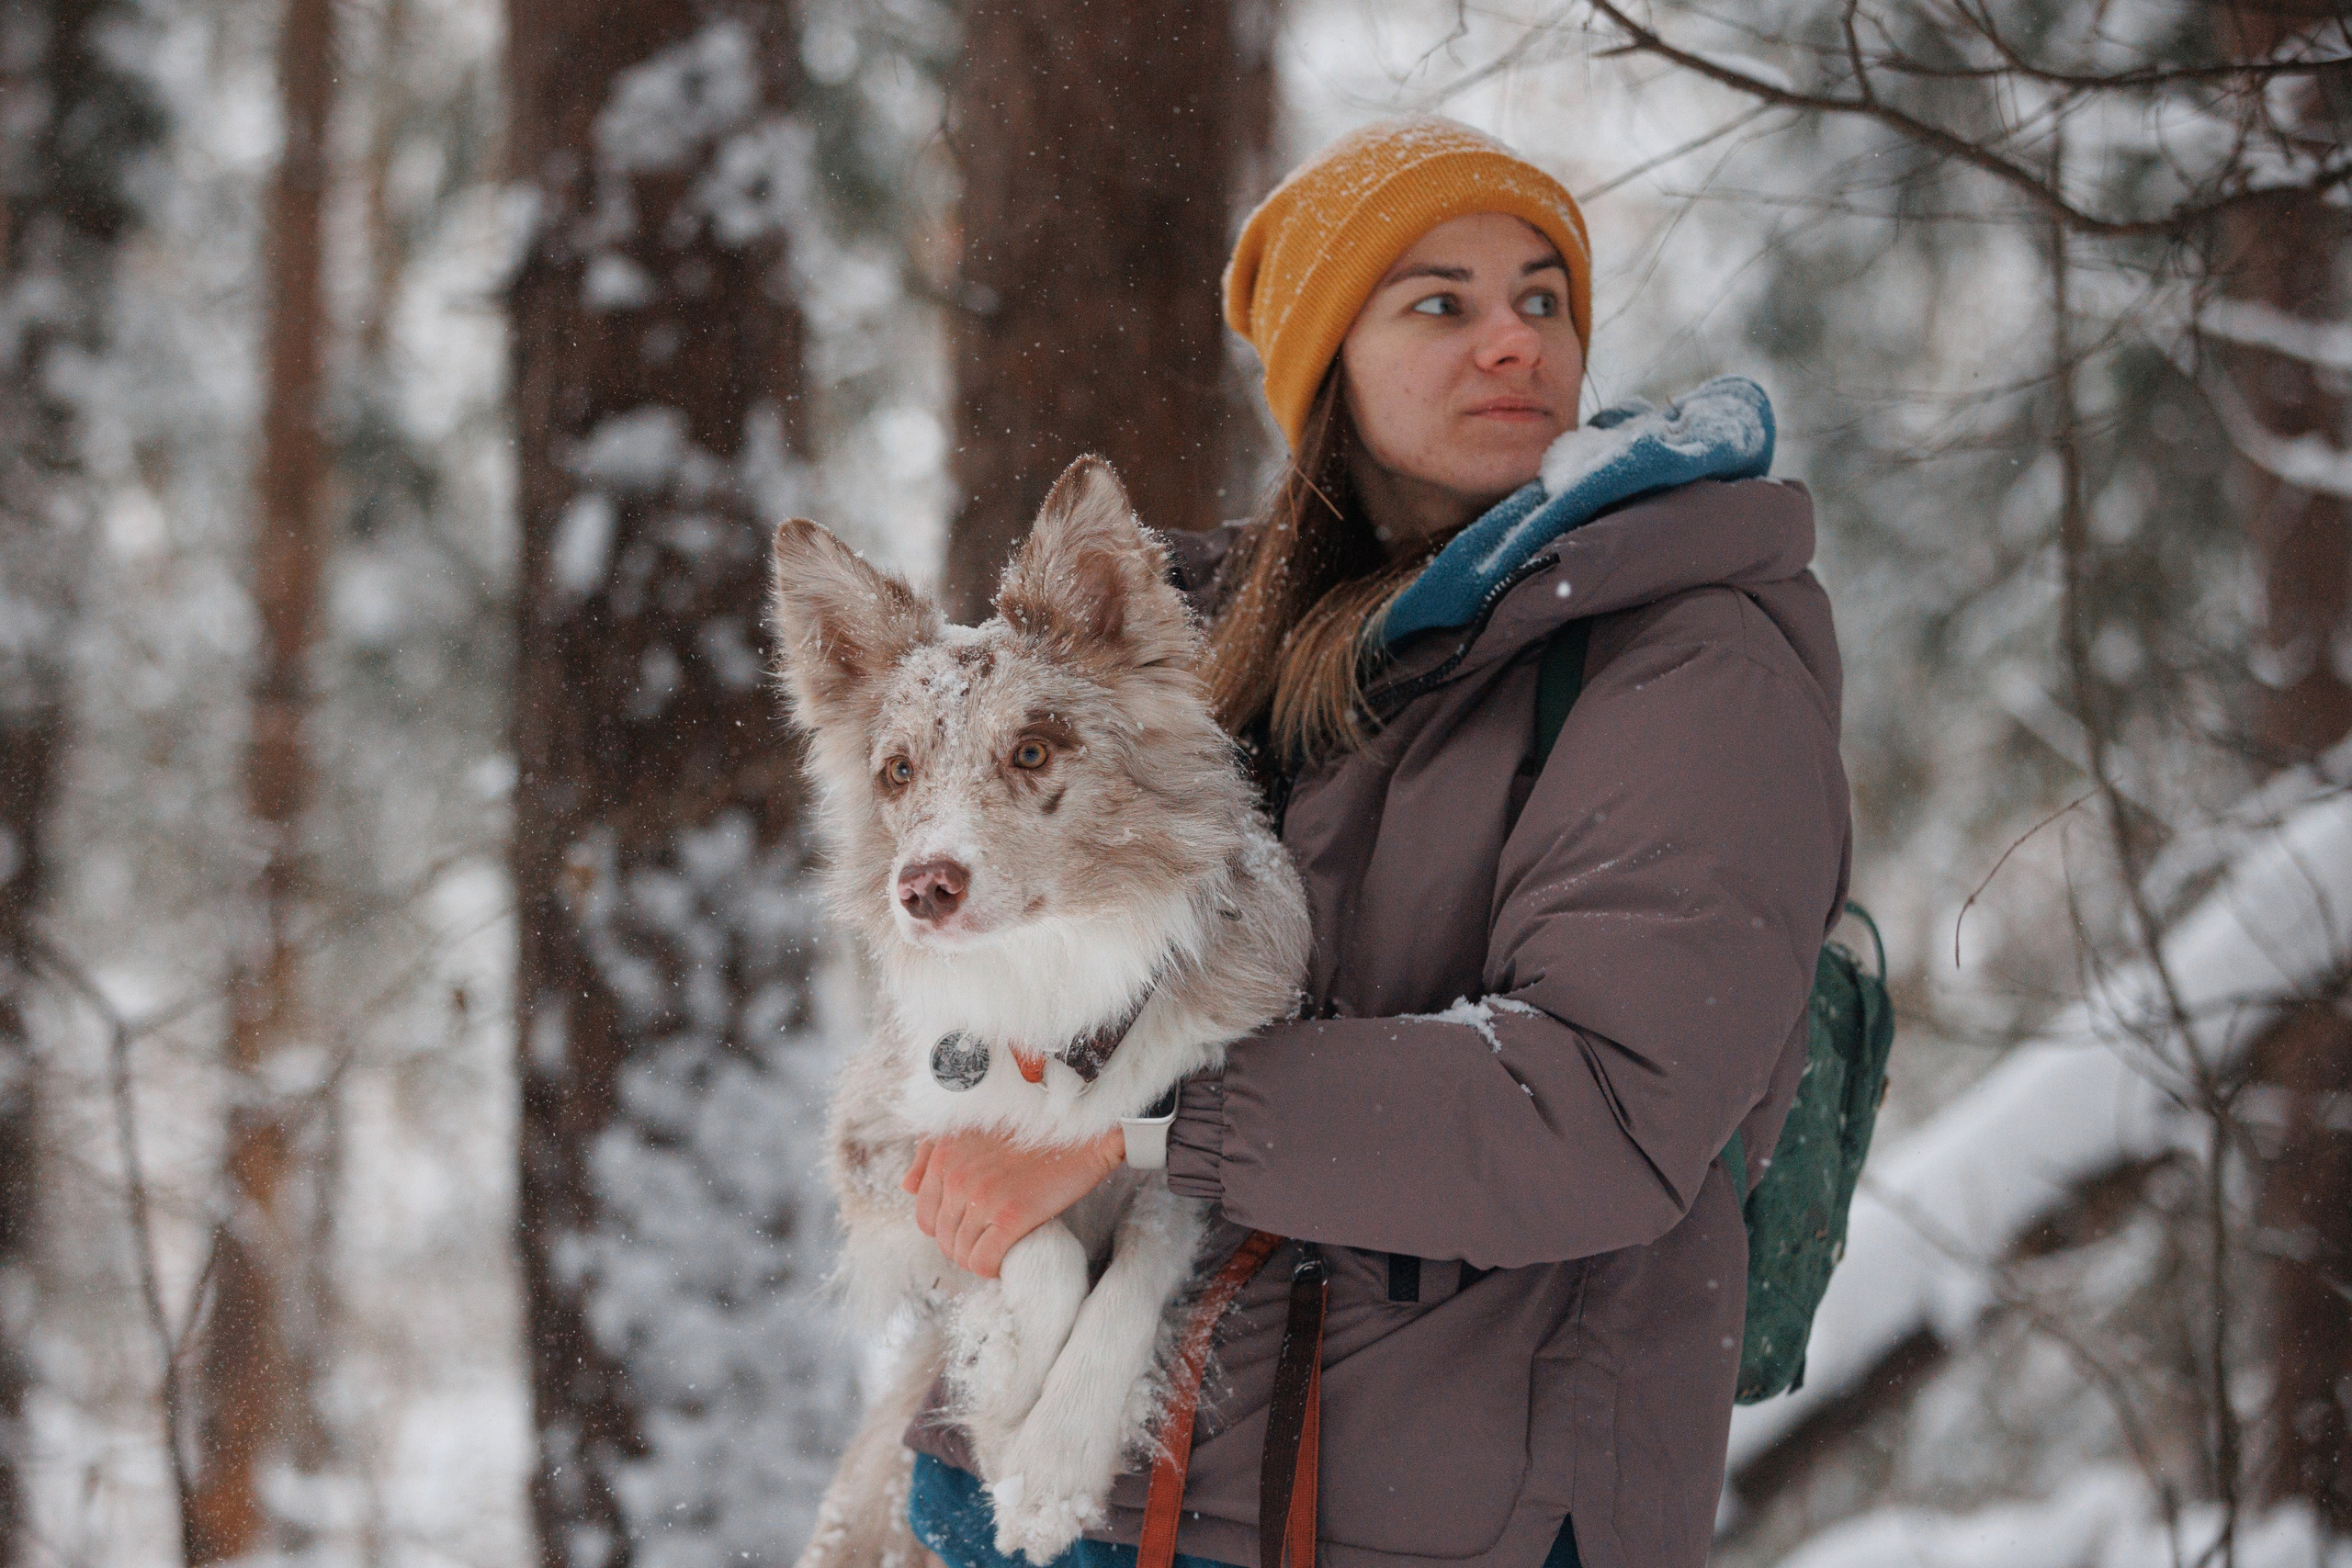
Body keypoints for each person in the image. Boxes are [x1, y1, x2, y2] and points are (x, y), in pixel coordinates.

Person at [899, 117, 1852, 1568]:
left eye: (1543, 299)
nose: (1512, 343)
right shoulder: (1200, 650)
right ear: (1326, 363)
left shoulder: (1688, 657)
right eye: (1441, 303)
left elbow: (1594, 1104)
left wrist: (1117, 1132)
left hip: (1418, 1516)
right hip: (1048, 1479)